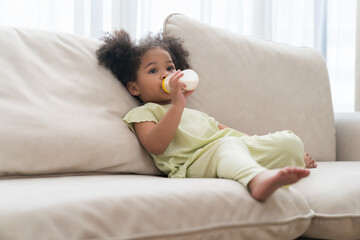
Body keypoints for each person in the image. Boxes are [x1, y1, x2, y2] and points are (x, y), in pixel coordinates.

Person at [96, 30, 317, 201]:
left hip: (227, 147)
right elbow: (156, 145)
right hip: (192, 164)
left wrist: (274, 147)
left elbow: (237, 135)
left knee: (289, 140)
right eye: (153, 71)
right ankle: (257, 180)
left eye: (171, 68)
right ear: (134, 88)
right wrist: (176, 105)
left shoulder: (195, 114)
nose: (166, 74)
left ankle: (284, 160)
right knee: (227, 146)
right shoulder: (143, 112)